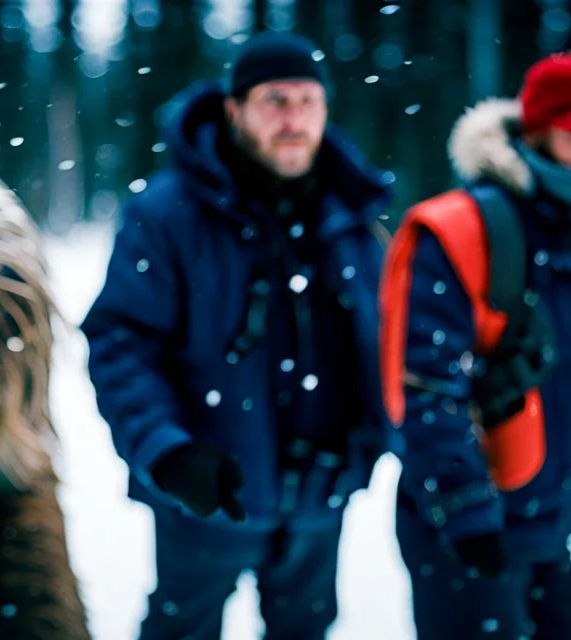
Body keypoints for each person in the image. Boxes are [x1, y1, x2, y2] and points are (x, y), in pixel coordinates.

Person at [82, 32, 394, 639]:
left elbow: (384, 344)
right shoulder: (168, 213)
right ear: (235, 109)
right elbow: (121, 343)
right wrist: (168, 453)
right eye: (275, 100)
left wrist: (381, 438)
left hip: (320, 500)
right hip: (207, 493)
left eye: (308, 101)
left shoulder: (352, 216)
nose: (294, 119)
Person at [380, 52, 571, 639]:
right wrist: (466, 512)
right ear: (536, 136)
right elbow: (423, 388)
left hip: (548, 528)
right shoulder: (458, 231)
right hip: (464, 533)